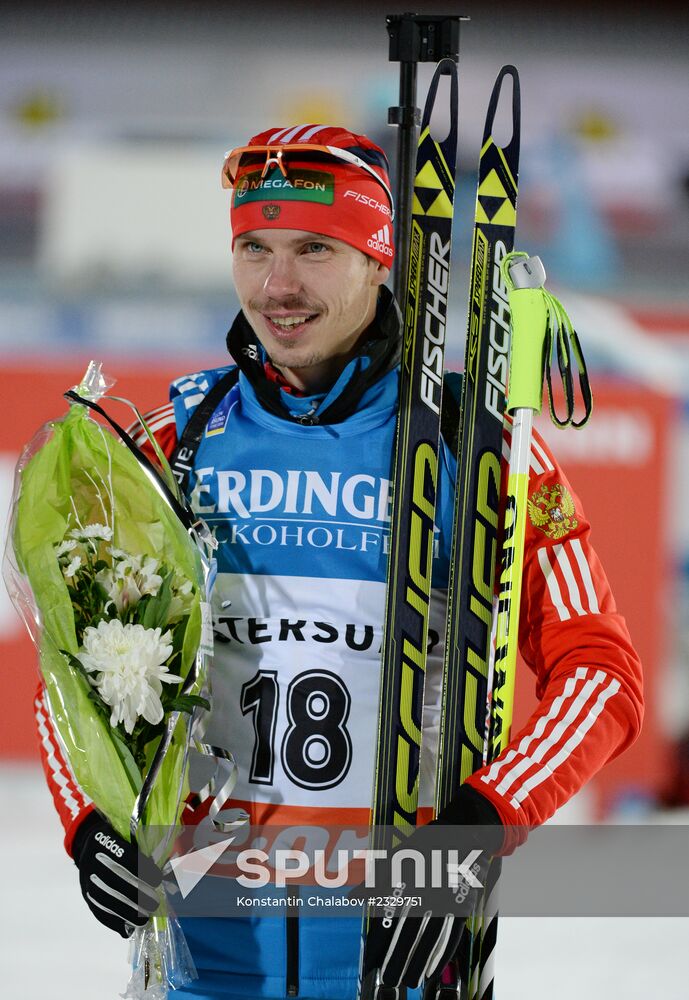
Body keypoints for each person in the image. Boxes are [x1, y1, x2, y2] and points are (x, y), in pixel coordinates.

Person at [35, 124, 643, 1000]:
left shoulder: (474, 453)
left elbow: (602, 675)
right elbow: (69, 671)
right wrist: (89, 820)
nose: (277, 286)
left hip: (393, 948)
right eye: (254, 247)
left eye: (315, 249)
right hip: (205, 952)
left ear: (380, 259)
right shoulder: (174, 447)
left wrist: (480, 821)